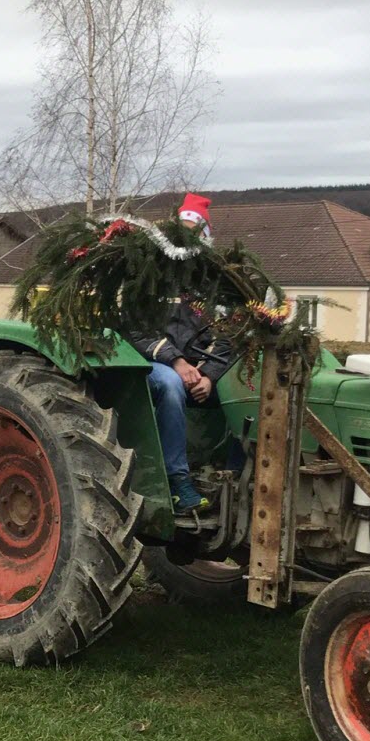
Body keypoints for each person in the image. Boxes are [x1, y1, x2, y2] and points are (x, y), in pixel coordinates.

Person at [129, 193, 236, 515]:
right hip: (153, 363)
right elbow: (136, 332)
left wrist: (209, 376)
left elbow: (228, 335)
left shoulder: (214, 286)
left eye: (195, 233)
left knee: (247, 391)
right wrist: (177, 362)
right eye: (183, 232)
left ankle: (232, 474)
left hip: (201, 370)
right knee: (172, 387)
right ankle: (177, 480)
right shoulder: (150, 280)